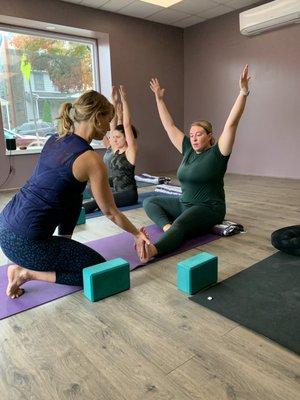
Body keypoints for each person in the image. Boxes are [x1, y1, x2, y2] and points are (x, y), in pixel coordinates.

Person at [0, 90, 149, 299]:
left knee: (76, 251)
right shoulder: (91, 160)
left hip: (5, 227)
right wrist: (137, 234)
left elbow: (71, 200)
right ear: (97, 118)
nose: (108, 128)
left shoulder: (55, 139)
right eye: (107, 121)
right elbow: (110, 212)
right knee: (96, 271)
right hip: (25, 244)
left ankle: (29, 266)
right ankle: (24, 273)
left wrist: (64, 241)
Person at [142, 65, 251, 262]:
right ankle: (168, 228)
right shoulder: (187, 150)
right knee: (150, 201)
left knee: (181, 225)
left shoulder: (218, 153)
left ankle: (153, 250)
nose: (193, 138)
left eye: (199, 134)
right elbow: (169, 126)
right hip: (184, 204)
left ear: (210, 136)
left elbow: (231, 124)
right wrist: (159, 99)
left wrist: (243, 92)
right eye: (191, 135)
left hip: (209, 208)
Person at [83, 85, 138, 213]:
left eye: (118, 137)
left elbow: (126, 124)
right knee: (91, 186)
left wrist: (124, 100)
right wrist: (113, 100)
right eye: (114, 138)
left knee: (99, 202)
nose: (114, 139)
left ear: (126, 138)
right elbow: (111, 124)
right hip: (115, 189)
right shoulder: (115, 148)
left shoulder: (130, 152)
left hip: (128, 195)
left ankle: (76, 213)